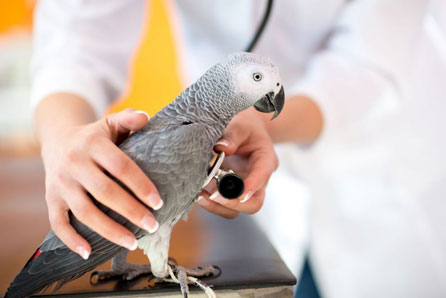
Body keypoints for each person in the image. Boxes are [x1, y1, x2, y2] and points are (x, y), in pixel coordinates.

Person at [31, 1, 446, 298]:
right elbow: (77, 36)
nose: (273, 90)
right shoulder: (188, 136)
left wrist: (258, 123)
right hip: (256, 215)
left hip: (385, 173)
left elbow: (368, 61)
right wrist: (62, 136)